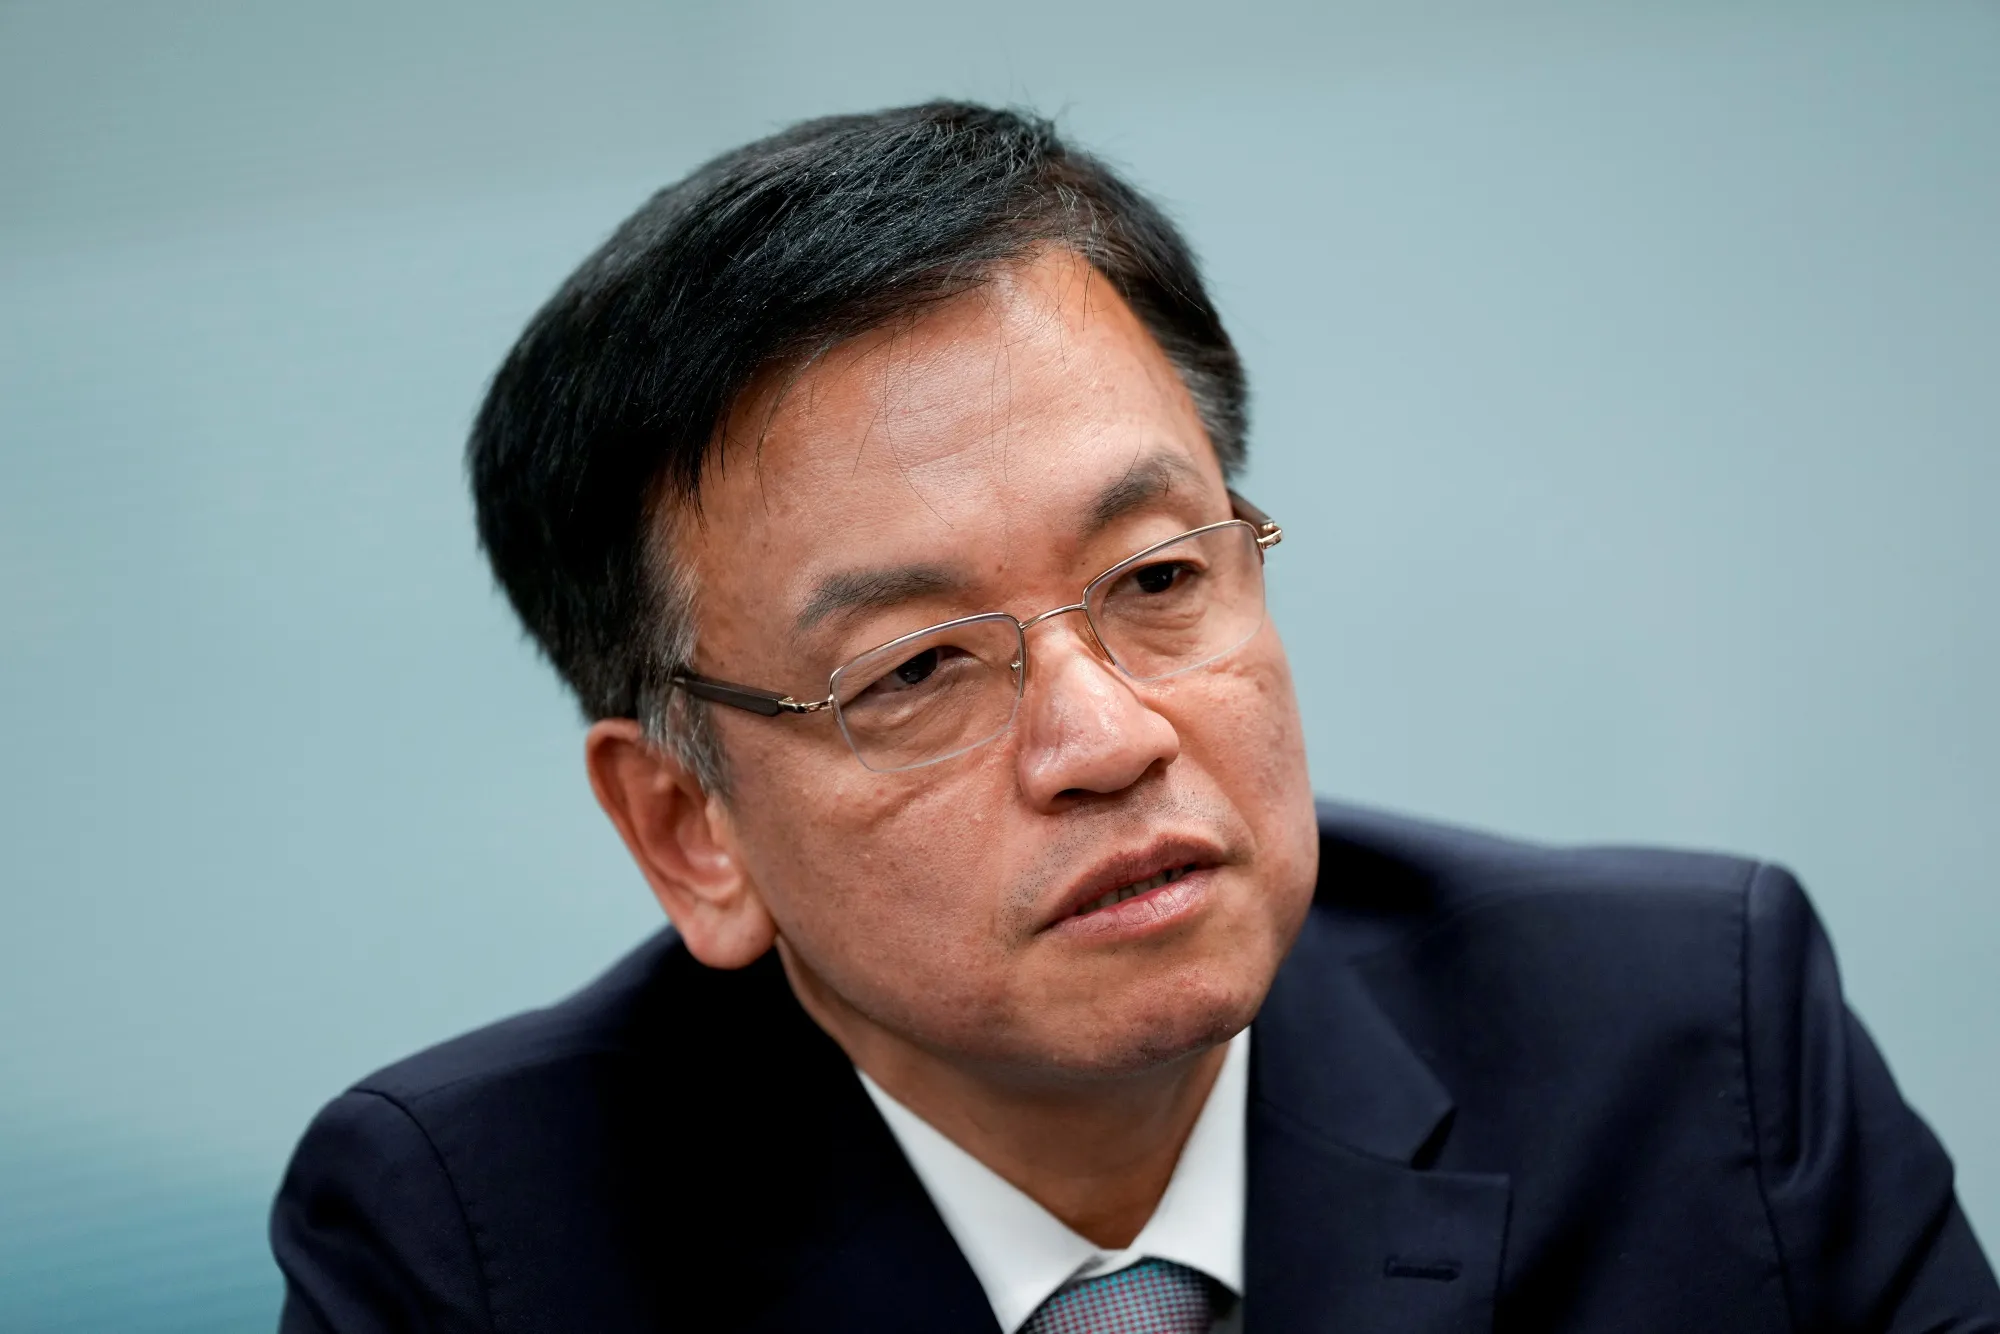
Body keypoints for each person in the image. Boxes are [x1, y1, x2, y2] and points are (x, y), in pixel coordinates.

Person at [268, 101, 1999, 1333]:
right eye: (916, 669)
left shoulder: (1694, 1044)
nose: (1107, 738)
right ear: (687, 826)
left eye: (1159, 577)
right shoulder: (471, 1247)